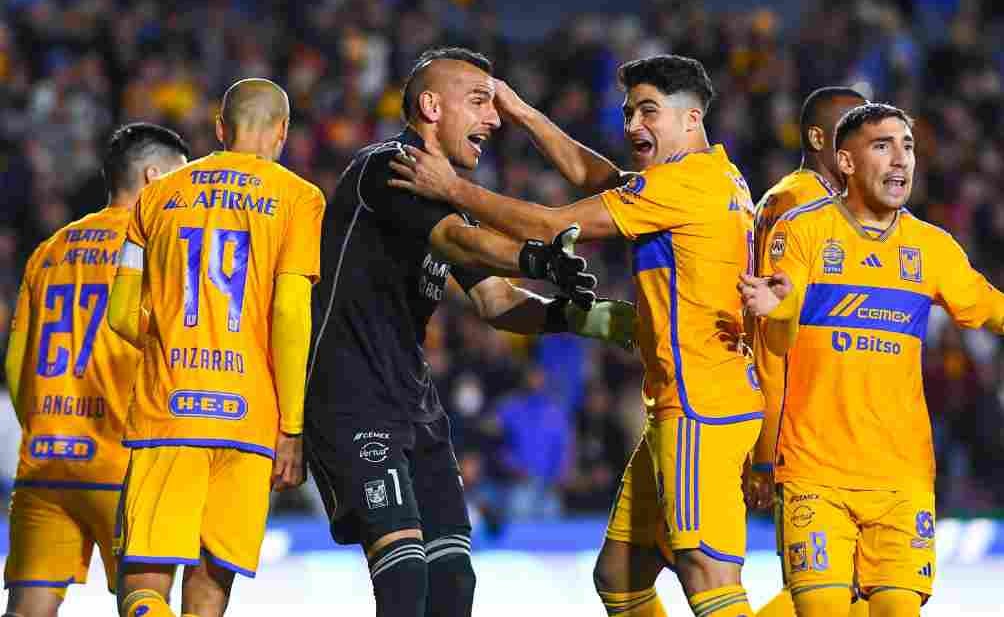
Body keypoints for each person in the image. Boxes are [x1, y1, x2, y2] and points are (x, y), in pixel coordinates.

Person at [390, 54, 762, 617]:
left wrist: (454, 189)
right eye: (629, 112)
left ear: (691, 119)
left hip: (699, 409)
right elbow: (599, 179)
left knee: (708, 577)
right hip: (687, 403)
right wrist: (523, 113)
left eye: (649, 112)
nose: (634, 125)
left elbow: (549, 226)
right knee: (620, 575)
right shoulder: (714, 176)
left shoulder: (683, 186)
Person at [304, 46, 633, 617]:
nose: (494, 118)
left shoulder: (448, 193)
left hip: (416, 406)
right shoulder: (387, 166)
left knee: (455, 583)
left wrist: (585, 317)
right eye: (479, 102)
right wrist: (540, 256)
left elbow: (495, 301)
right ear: (431, 106)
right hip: (353, 400)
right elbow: (457, 243)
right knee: (405, 580)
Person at [740, 103, 1004, 616]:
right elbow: (780, 326)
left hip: (902, 479)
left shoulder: (932, 248)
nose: (900, 158)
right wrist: (780, 309)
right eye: (882, 146)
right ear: (845, 161)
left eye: (907, 146)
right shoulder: (802, 230)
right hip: (816, 474)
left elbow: (990, 307)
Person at [107, 79, 324, 617]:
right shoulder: (299, 198)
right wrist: (292, 428)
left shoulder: (156, 197)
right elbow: (291, 313)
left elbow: (119, 315)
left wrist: (173, 343)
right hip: (248, 420)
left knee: (144, 584)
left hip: (170, 410)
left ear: (220, 129)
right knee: (210, 587)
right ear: (283, 131)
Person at [3, 123, 189, 617]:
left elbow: (17, 364)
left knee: (27, 609)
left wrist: (49, 427)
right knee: (143, 601)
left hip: (45, 462)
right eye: (180, 179)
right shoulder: (158, 251)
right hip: (123, 463)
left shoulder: (48, 252)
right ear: (153, 178)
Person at [746, 87, 867, 617]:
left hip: (850, 423)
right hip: (806, 433)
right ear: (820, 139)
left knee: (857, 583)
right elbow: (771, 335)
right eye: (855, 131)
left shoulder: (847, 210)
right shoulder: (792, 204)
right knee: (821, 590)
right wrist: (767, 450)